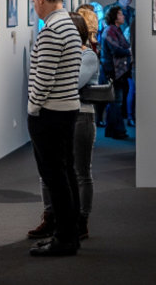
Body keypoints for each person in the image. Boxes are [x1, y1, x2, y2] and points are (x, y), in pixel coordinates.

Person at [27, 12, 99, 242]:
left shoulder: (87, 56)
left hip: (81, 117)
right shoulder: (69, 56)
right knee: (50, 171)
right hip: (60, 115)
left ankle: (80, 220)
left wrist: (49, 77)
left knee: (79, 172)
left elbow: (70, 83)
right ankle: (52, 217)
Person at [27, 0, 82, 256]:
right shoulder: (70, 26)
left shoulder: (51, 31)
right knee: (66, 174)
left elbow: (43, 79)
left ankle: (64, 238)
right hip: (67, 109)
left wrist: (32, 107)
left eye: (33, 1)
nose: (33, 7)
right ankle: (70, 233)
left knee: (55, 177)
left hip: (51, 113)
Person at [101, 6, 132, 139]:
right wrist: (130, 52)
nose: (123, 16)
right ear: (114, 17)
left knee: (115, 101)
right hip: (113, 71)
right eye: (120, 14)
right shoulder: (109, 31)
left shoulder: (117, 30)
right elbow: (117, 49)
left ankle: (112, 130)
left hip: (118, 71)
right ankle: (118, 131)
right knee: (116, 102)